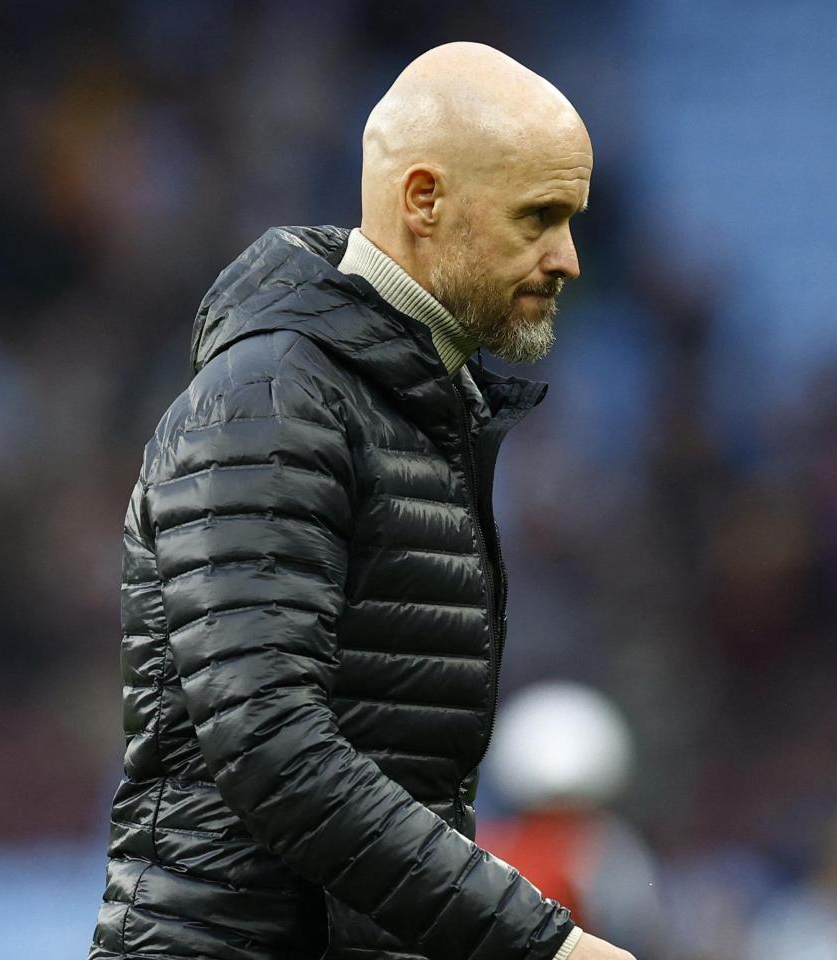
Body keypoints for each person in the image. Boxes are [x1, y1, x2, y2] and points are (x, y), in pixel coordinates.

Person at [88, 42, 634, 960]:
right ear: (424, 200)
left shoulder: (410, 408)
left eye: (572, 219)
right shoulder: (273, 399)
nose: (568, 258)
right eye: (539, 217)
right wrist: (539, 944)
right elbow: (271, 745)